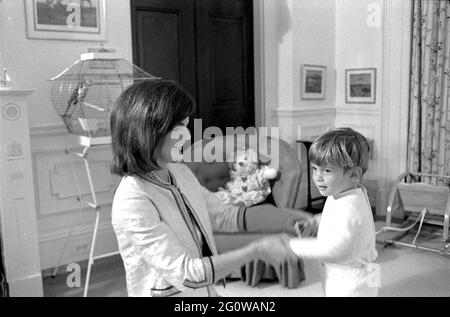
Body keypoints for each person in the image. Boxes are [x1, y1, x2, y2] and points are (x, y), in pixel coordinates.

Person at [110, 79, 306, 297]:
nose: (185, 136)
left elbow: (224, 216)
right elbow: (185, 274)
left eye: (184, 125)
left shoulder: (179, 172)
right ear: (145, 131)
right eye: (175, 128)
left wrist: (290, 218)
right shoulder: (133, 200)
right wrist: (256, 250)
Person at [287, 127, 379, 297]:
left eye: (327, 170)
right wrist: (317, 221)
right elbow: (337, 216)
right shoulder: (345, 192)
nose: (318, 177)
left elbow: (333, 249)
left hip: (350, 282)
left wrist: (291, 246)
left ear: (353, 173)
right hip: (349, 275)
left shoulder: (349, 207)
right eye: (315, 169)